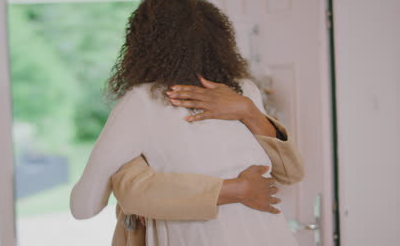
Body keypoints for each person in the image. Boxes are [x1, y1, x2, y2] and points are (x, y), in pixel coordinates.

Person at [70, 0, 301, 245]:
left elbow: (82, 206)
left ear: (142, 45)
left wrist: (127, 170)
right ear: (217, 41)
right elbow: (288, 175)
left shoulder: (142, 101)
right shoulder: (243, 89)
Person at [109, 77, 304, 246]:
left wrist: (248, 111)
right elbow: (133, 193)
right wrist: (240, 189)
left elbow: (291, 172)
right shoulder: (142, 104)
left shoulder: (238, 94)